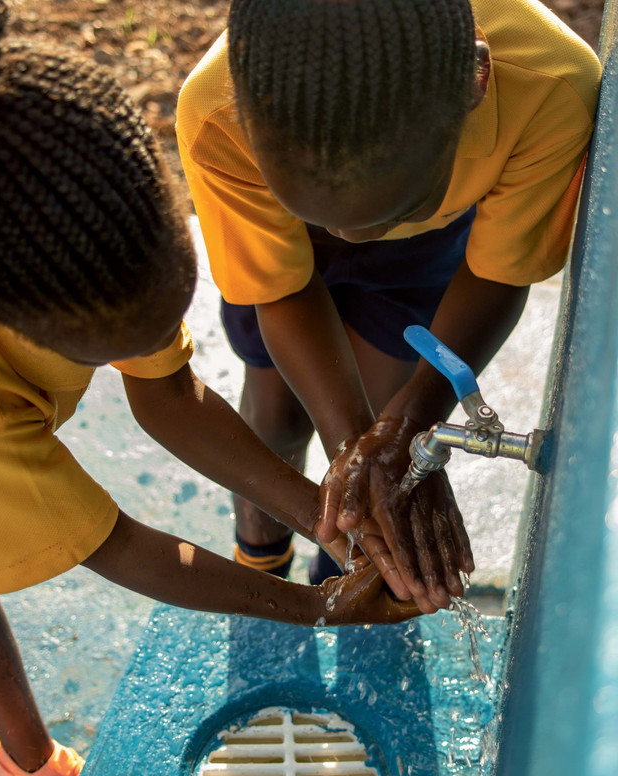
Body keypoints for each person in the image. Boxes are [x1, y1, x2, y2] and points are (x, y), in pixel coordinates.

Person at [0, 1, 422, 776]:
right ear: (21, 324)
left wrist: (328, 515)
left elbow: (168, 395)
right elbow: (114, 545)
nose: (154, 343)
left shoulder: (89, 245)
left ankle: (31, 768)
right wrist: (315, 607)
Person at [176, 0, 602, 613]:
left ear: (476, 83)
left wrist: (402, 426)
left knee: (386, 396)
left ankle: (349, 575)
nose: (355, 239)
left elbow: (499, 271)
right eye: (333, 219)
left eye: (391, 211)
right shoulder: (220, 113)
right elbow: (279, 288)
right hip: (285, 250)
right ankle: (261, 558)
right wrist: (357, 450)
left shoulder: (548, 87)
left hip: (423, 252)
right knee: (276, 413)